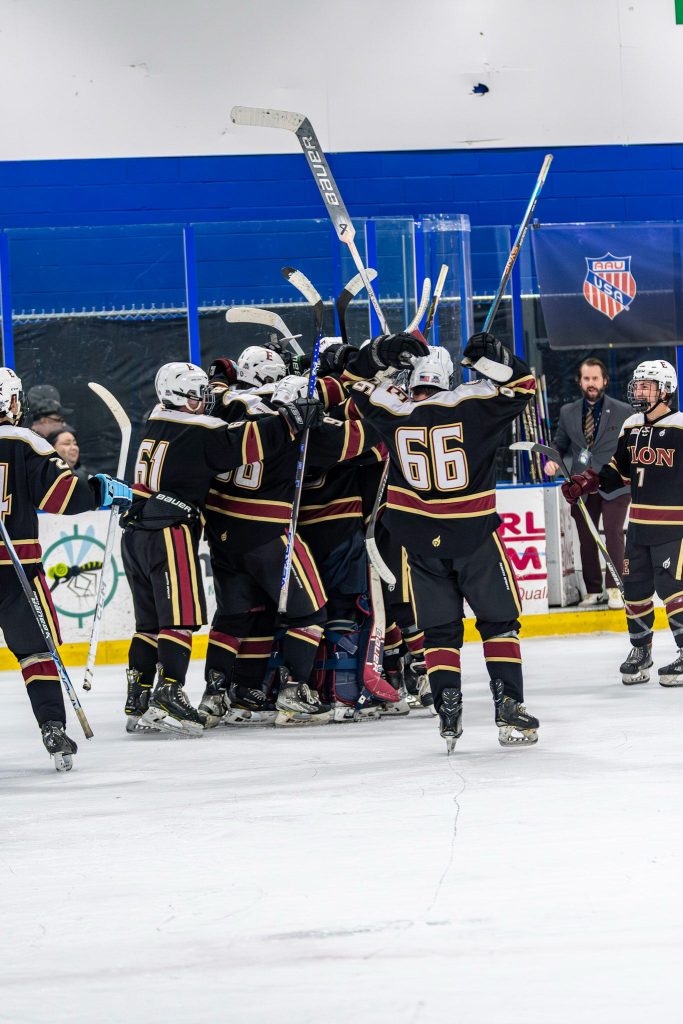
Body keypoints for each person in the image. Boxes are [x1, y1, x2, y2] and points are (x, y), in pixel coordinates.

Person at [338, 333, 541, 752]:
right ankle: (508, 707)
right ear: (447, 376)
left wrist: (377, 353)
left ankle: (448, 707)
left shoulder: (394, 408)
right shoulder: (474, 403)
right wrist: (496, 357)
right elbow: (523, 386)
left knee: (439, 631)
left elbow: (352, 381)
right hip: (473, 536)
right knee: (499, 623)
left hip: (420, 544)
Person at [121, 360, 321, 736]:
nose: (206, 401)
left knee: (148, 624)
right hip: (170, 532)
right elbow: (244, 442)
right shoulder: (198, 430)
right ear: (181, 397)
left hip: (134, 533)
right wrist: (289, 420)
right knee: (178, 620)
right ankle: (170, 692)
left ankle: (139, 697)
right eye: (198, 395)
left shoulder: (157, 420)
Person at [0, 367, 131, 770]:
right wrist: (99, 491)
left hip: (16, 564)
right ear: (11, 401)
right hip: (17, 570)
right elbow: (62, 497)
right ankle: (53, 728)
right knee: (37, 653)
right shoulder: (25, 442)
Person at [560, 358, 683, 687]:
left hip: (674, 529)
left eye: (647, 386)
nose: (639, 391)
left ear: (666, 391)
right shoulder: (631, 426)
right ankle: (641, 651)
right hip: (639, 527)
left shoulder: (681, 426)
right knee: (635, 591)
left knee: (673, 590)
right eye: (638, 385)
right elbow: (617, 471)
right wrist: (587, 482)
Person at [544, 358, 631, 609]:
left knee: (613, 533)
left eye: (595, 378)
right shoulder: (567, 412)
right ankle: (593, 590)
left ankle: (615, 588)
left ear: (604, 381)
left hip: (615, 483)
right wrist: (552, 461)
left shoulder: (624, 411)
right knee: (586, 537)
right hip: (582, 485)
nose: (591, 383)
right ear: (580, 382)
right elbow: (560, 444)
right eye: (586, 378)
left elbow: (630, 445)